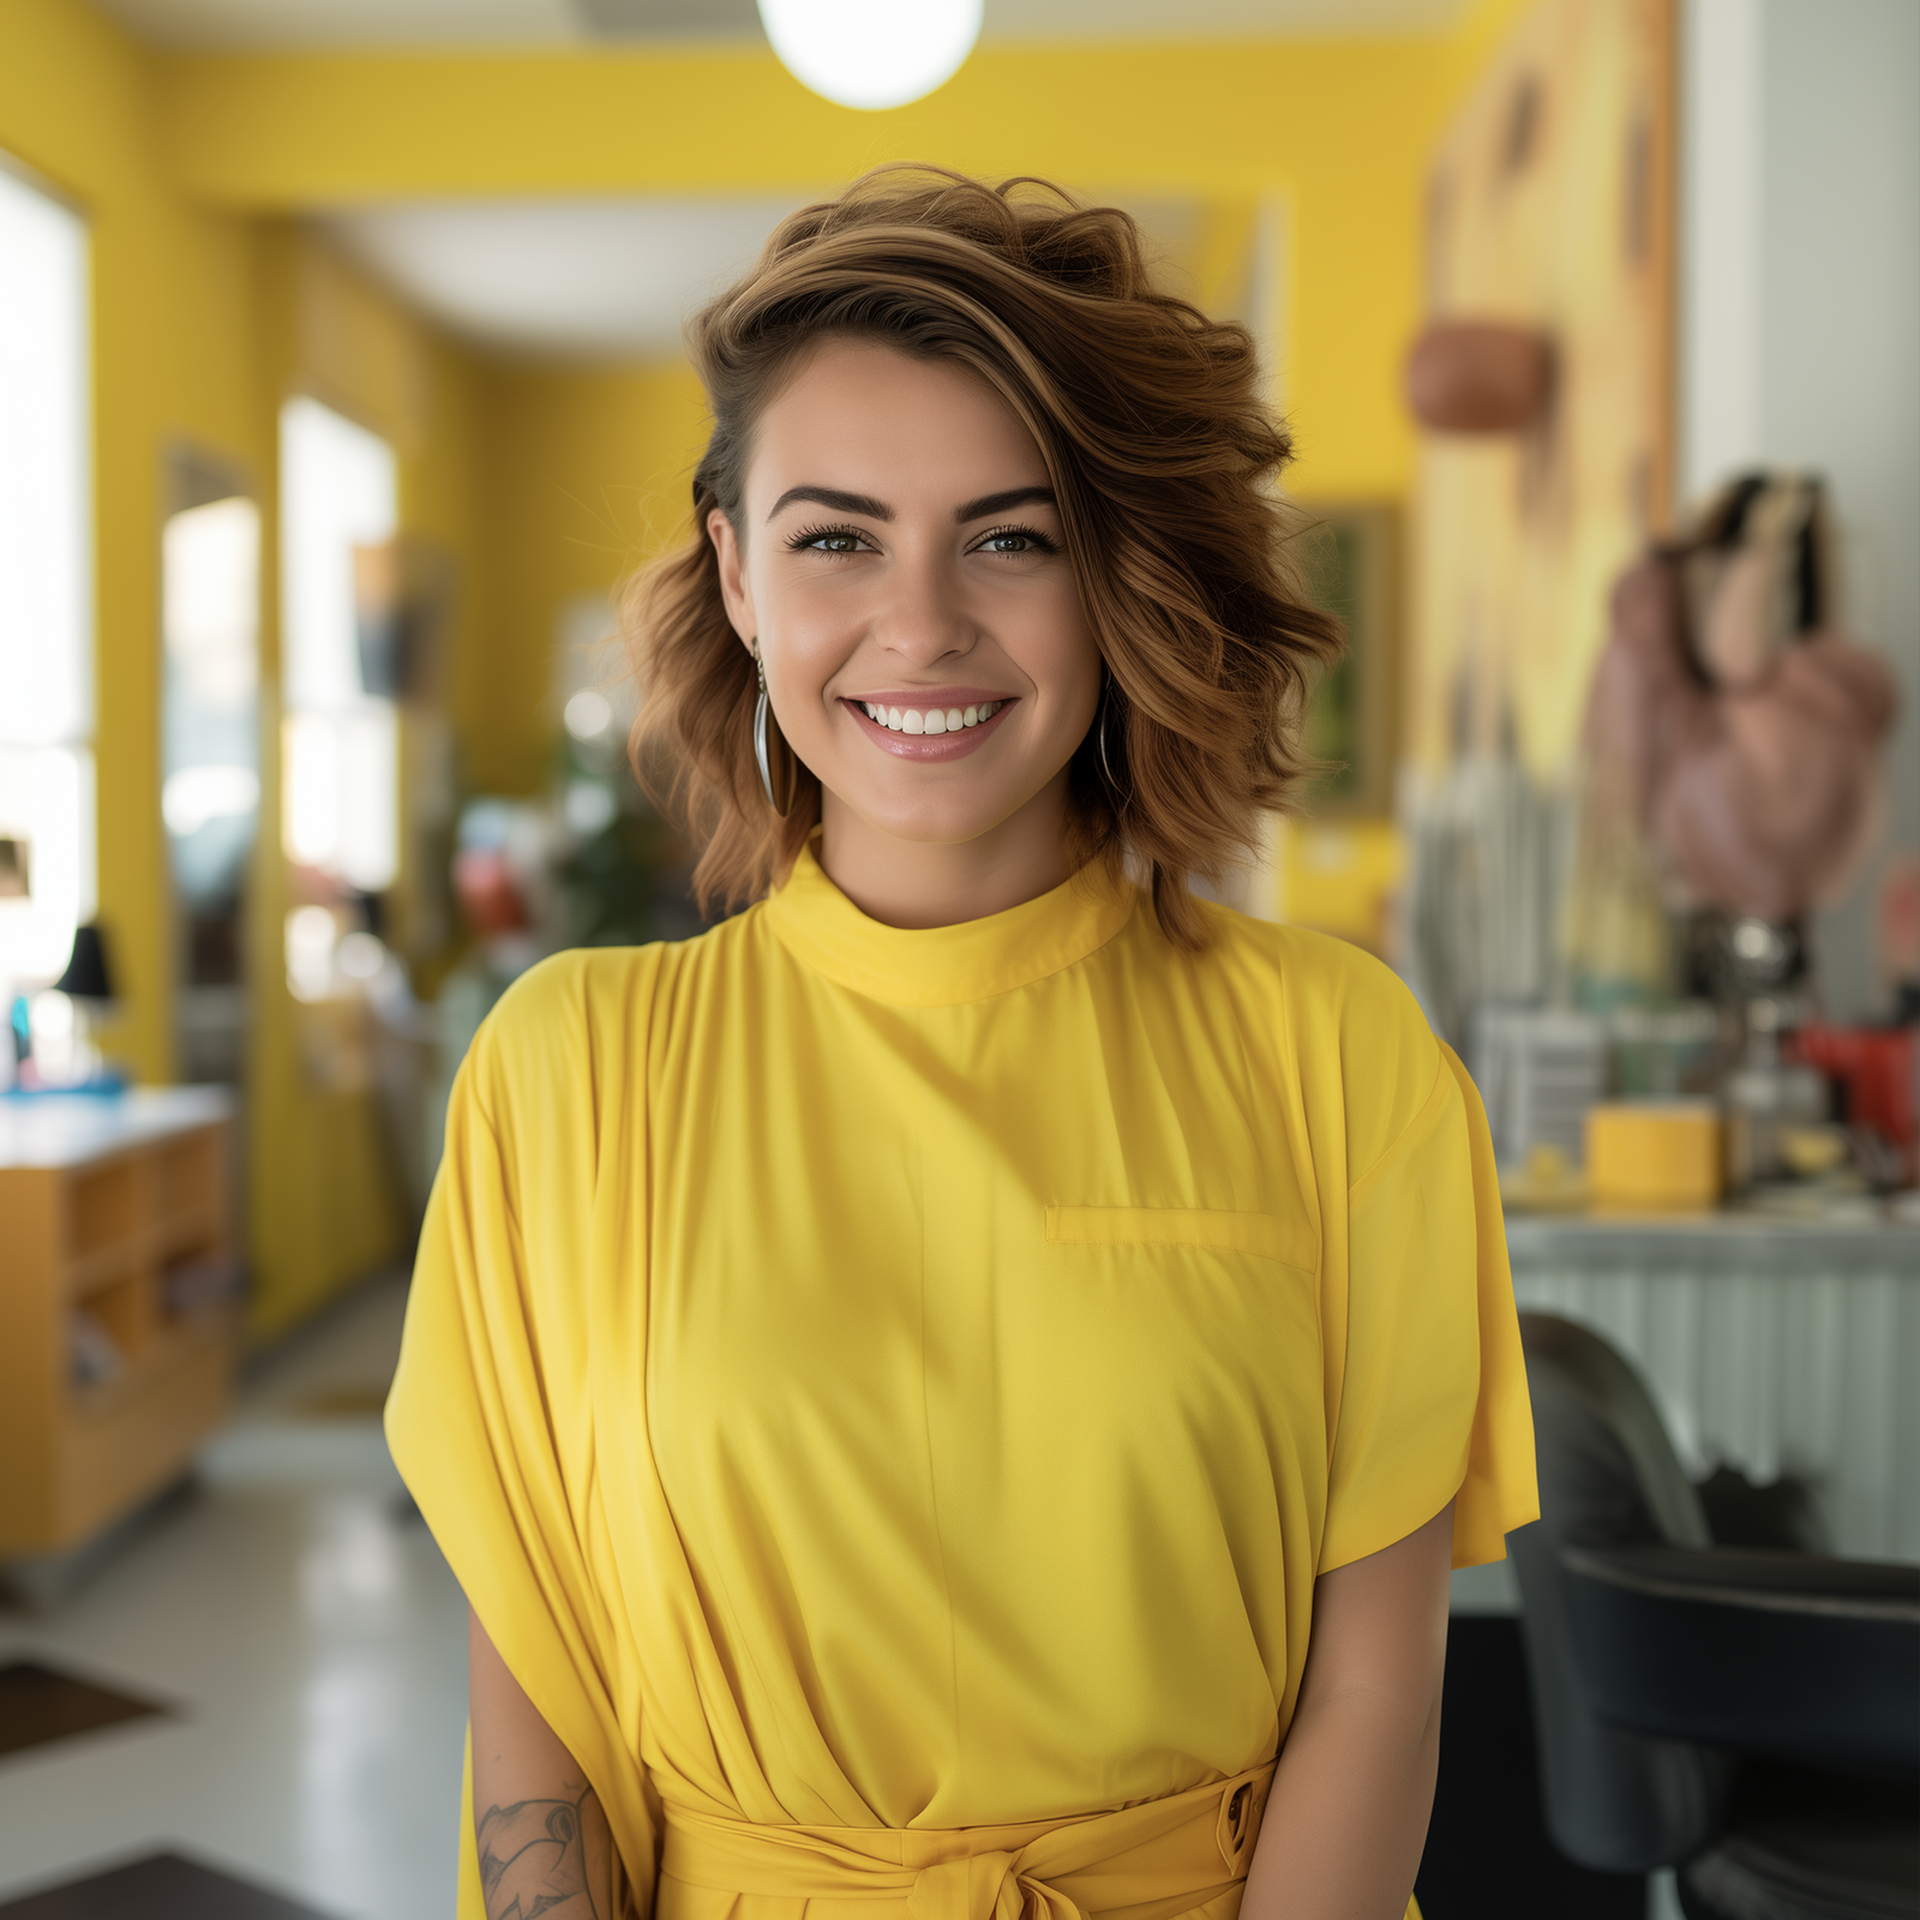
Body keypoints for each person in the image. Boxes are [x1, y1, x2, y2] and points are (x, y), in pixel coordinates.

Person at [386, 166, 1536, 1920]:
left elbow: (1374, 1698)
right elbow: (538, 1702)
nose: (921, 624)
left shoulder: (1342, 1058)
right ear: (740, 574)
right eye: (836, 536)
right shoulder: (568, 1074)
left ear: (1117, 573)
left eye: (1012, 536)